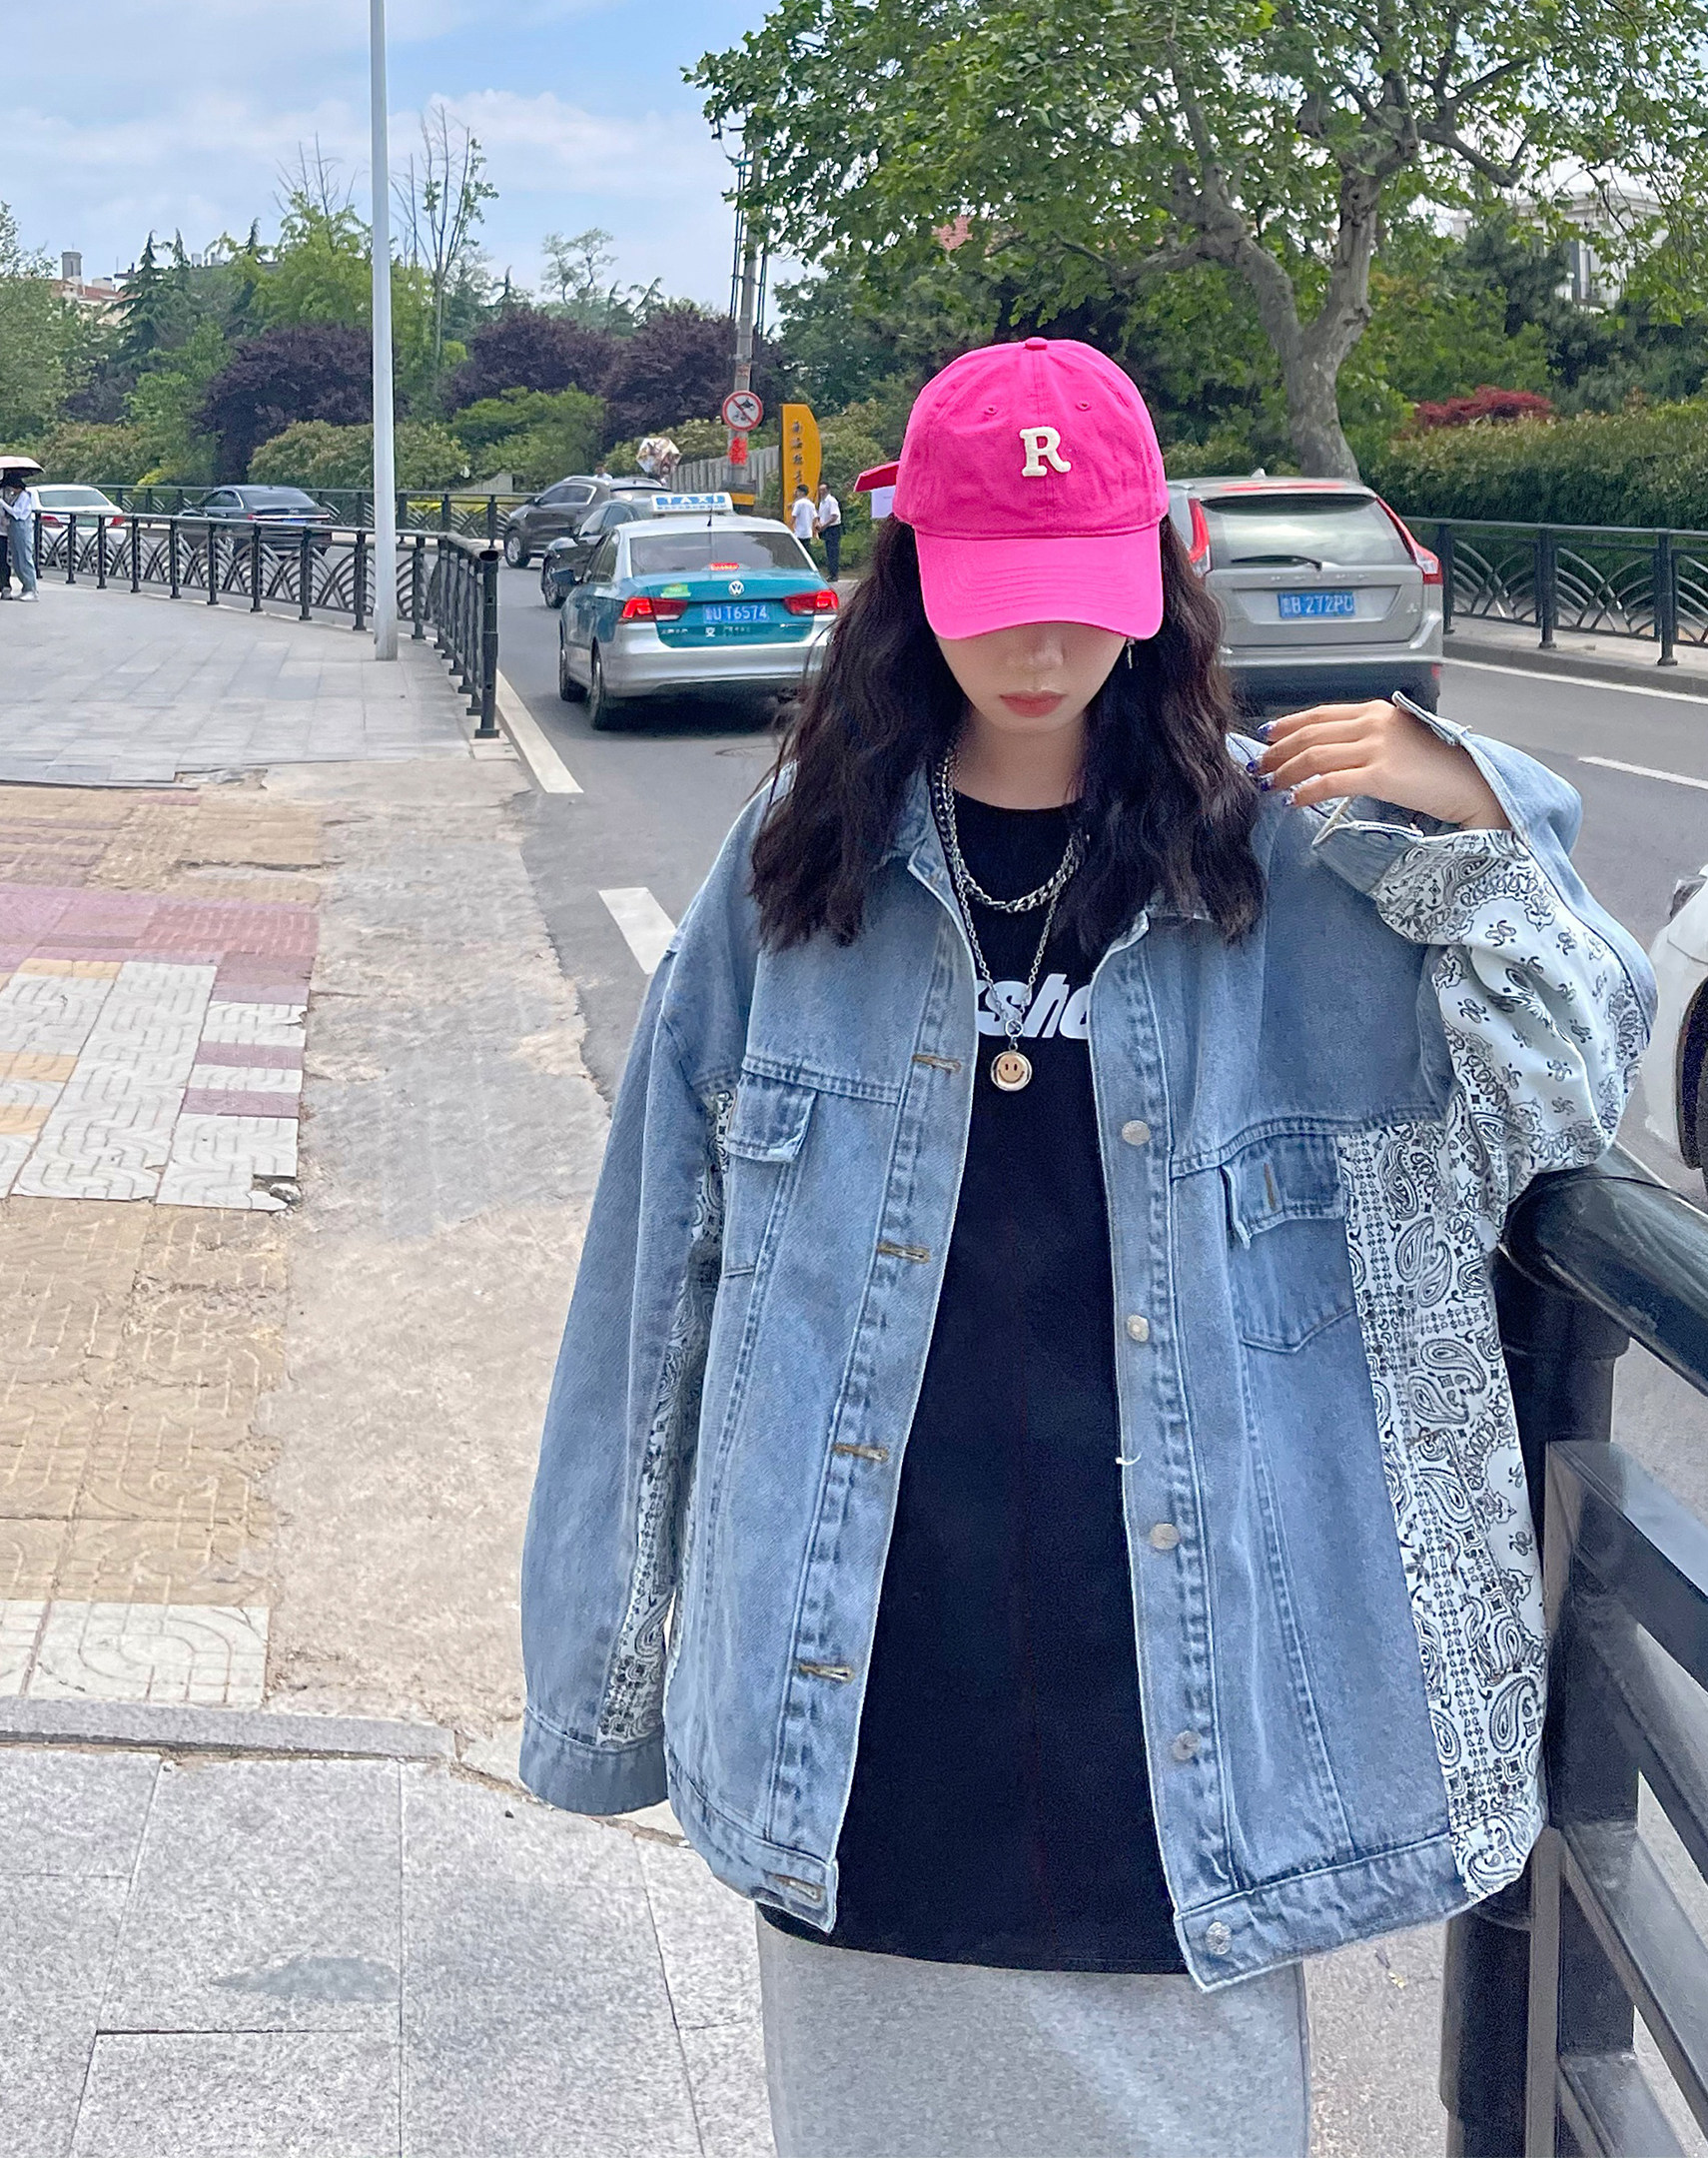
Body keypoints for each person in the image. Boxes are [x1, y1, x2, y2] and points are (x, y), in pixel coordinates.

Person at [518, 337, 1650, 2158]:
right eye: (994, 592)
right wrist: (604, 1678)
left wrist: (1475, 809)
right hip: (863, 1674)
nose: (1040, 643)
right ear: (911, 581)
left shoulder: (1299, 866)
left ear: (1156, 581)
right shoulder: (795, 870)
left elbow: (1567, 1093)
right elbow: (658, 1279)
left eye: (1082, 591)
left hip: (1187, 1706)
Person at [1, 477, 37, 601]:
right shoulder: (16, 496)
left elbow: (17, 513)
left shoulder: (24, 496)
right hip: (14, 530)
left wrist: (2, 503)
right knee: (17, 561)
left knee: (25, 559)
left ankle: (31, 589)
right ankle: (25, 588)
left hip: (22, 529)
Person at [816, 479, 843, 579]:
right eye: (820, 490)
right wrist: (819, 524)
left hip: (833, 528)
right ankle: (831, 572)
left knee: (833, 552)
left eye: (823, 490)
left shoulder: (831, 501)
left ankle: (834, 574)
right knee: (828, 551)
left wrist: (824, 525)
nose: (821, 492)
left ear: (828, 490)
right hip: (826, 528)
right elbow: (820, 515)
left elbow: (834, 516)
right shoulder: (822, 502)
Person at [789, 480, 817, 552]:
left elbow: (794, 517)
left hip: (799, 532)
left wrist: (789, 527)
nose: (796, 493)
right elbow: (815, 518)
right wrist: (814, 531)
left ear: (802, 492)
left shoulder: (798, 503)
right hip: (808, 532)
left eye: (798, 491)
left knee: (798, 551)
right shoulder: (811, 504)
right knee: (807, 551)